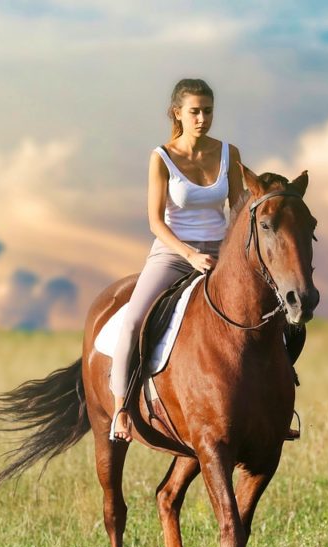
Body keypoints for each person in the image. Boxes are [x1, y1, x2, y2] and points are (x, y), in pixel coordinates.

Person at [109, 78, 245, 442]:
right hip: (174, 253)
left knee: (274, 313)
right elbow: (155, 221)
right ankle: (121, 407)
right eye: (195, 112)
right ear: (178, 113)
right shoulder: (162, 157)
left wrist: (232, 253)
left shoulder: (229, 153)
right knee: (135, 318)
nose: (202, 119)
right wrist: (190, 255)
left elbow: (239, 209)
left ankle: (275, 402)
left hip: (220, 251)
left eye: (208, 111)